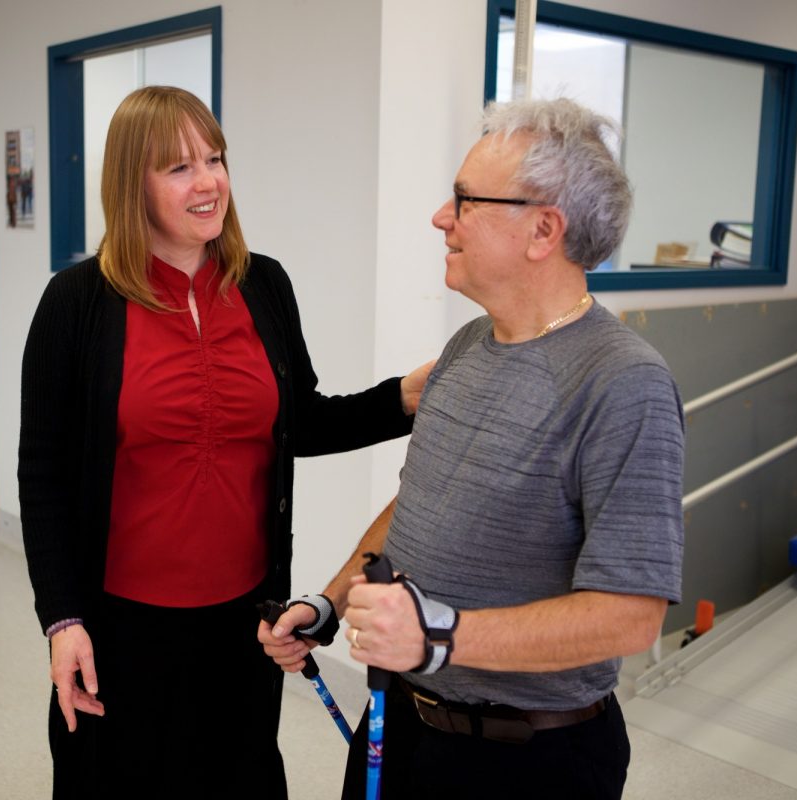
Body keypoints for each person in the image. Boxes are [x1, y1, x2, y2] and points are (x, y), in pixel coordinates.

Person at [260, 97, 685, 799]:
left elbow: (631, 614)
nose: (439, 218)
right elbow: (421, 504)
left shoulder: (622, 382)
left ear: (543, 229)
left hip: (529, 759)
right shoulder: (466, 346)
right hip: (402, 722)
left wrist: (441, 635)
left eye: (463, 200)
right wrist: (331, 605)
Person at [18, 85, 432, 799]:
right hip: (121, 624)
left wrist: (404, 398)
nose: (208, 181)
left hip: (244, 619)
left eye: (215, 159)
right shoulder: (77, 303)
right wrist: (63, 619)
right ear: (131, 183)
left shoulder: (262, 285)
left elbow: (300, 421)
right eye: (179, 167)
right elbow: (44, 474)